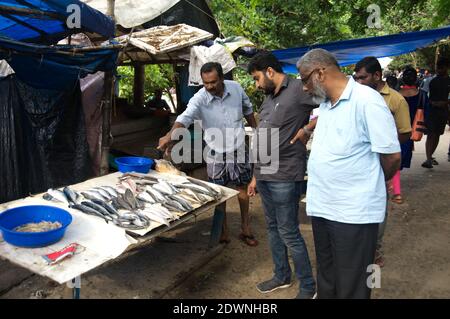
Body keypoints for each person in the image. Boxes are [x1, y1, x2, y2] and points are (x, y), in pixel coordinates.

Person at [296, 49, 401, 299]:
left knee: (352, 284)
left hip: (353, 213)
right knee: (328, 278)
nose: (303, 87)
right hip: (323, 208)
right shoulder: (327, 105)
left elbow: (392, 157)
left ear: (321, 73)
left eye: (304, 79)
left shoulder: (366, 100)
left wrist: (369, 184)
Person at [158, 62, 258, 246]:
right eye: (206, 83)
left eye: (213, 82)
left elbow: (248, 109)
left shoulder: (235, 88)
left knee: (242, 188)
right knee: (219, 192)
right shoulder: (200, 98)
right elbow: (184, 118)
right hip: (215, 152)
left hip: (238, 147)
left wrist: (257, 130)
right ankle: (223, 229)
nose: (209, 87)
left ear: (221, 78)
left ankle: (245, 227)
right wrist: (169, 135)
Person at [246, 52, 317, 299]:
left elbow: (333, 102)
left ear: (269, 71)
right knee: (273, 228)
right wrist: (256, 176)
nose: (256, 85)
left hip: (286, 173)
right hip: (264, 173)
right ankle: (282, 275)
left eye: (256, 78)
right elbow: (264, 135)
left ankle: (308, 286)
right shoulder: (268, 97)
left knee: (289, 231)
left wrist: (308, 127)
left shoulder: (299, 88)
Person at [353, 56, 412, 267]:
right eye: (356, 78)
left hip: (380, 161)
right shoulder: (353, 97)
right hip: (357, 160)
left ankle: (375, 251)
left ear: (377, 75)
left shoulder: (395, 100)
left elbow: (405, 133)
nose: (359, 82)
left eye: (363, 77)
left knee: (377, 205)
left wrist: (382, 138)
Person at [421, 59, 450, 168]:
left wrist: (446, 102)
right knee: (431, 134)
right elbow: (423, 96)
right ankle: (428, 159)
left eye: (441, 67)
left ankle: (430, 156)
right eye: (438, 67)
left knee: (437, 134)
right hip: (431, 111)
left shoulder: (449, 81)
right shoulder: (430, 80)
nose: (438, 70)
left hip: (443, 112)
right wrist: (432, 103)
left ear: (446, 68)